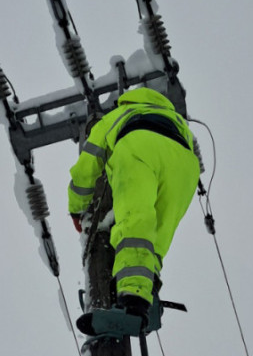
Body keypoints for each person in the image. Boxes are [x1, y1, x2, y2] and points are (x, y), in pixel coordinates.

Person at [68, 87, 200, 320]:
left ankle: (133, 297)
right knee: (158, 236)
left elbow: (87, 166)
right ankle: (146, 285)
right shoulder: (177, 118)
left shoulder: (118, 114)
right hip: (185, 164)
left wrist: (77, 208)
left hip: (139, 145)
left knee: (136, 223)